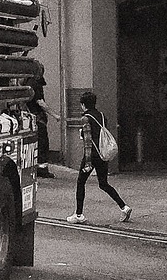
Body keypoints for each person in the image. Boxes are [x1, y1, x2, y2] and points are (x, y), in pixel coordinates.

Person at [67, 91, 132, 224]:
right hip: (102, 154)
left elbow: (88, 141)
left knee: (80, 183)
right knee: (103, 183)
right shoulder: (102, 116)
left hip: (91, 155)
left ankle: (78, 214)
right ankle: (124, 207)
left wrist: (88, 162)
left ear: (83, 104)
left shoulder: (85, 119)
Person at [28, 73, 53, 178]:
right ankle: (42, 169)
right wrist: (55, 115)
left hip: (32, 119)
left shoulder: (28, 82)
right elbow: (40, 102)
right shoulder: (35, 84)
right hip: (38, 119)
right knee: (43, 144)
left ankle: (37, 167)